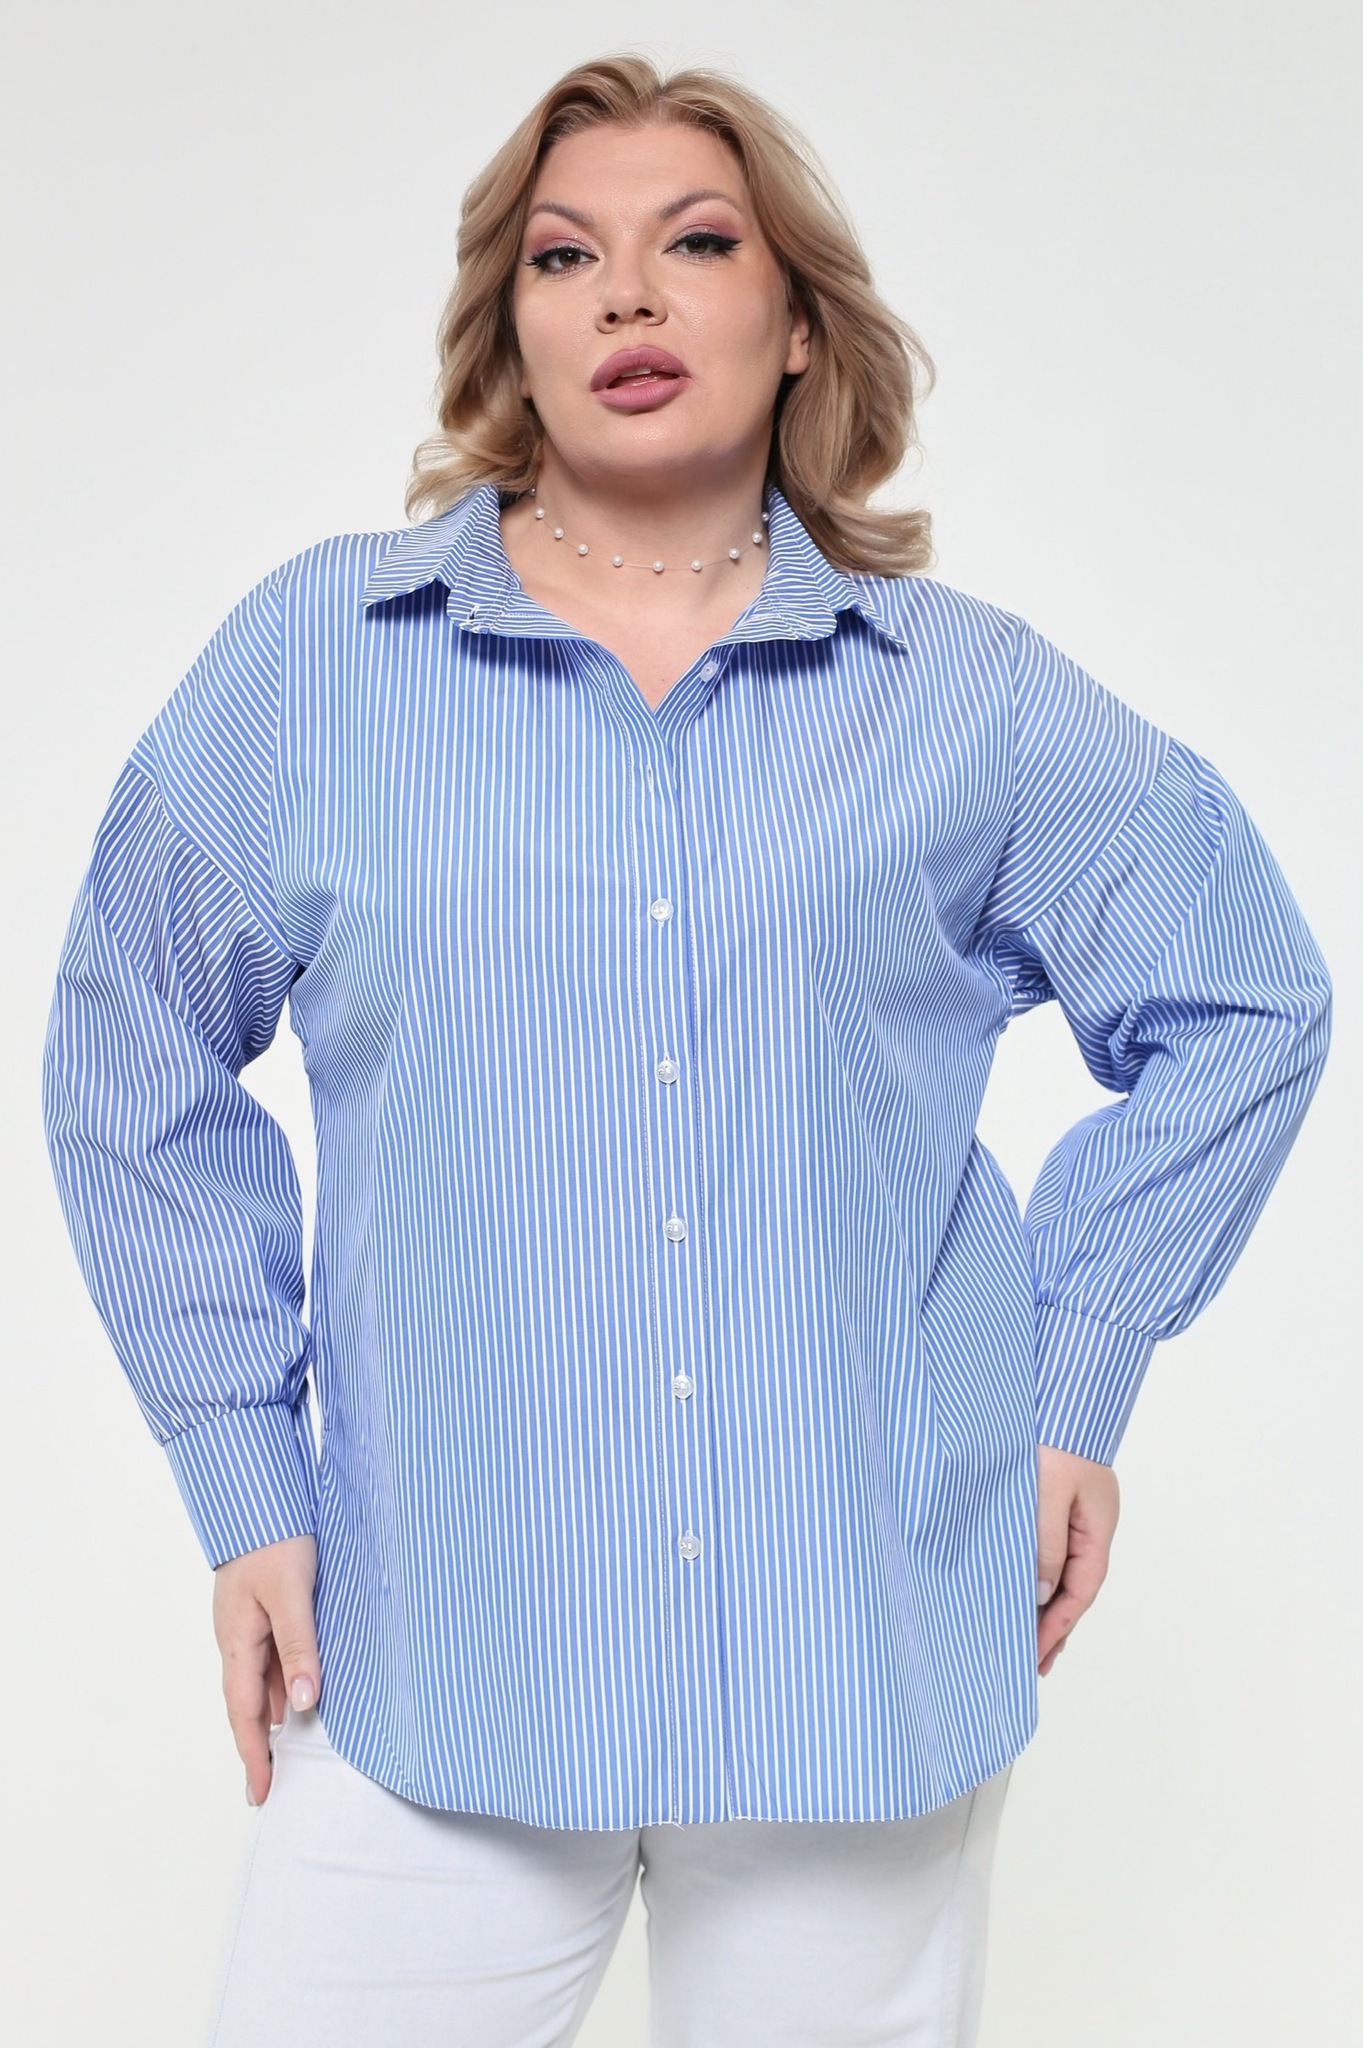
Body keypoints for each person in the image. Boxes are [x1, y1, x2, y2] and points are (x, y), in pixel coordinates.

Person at [41, 51, 1332, 2048]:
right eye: (566, 257)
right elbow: (131, 1036)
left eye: (697, 243)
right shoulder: (318, 664)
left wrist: (1079, 1377)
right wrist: (242, 1468)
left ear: (799, 320)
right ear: (511, 330)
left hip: (859, 1645)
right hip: (432, 1650)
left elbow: (1246, 992)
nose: (629, 294)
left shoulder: (962, 700)